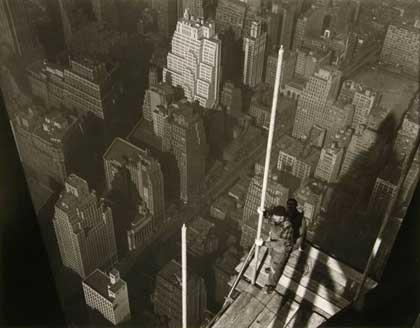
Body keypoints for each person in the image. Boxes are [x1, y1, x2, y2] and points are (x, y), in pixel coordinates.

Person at [261, 205, 294, 294]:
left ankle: (271, 285)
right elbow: (269, 217)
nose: (273, 218)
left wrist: (264, 243)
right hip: (274, 248)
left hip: (281, 251)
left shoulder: (288, 227)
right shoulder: (277, 219)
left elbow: (280, 244)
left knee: (275, 267)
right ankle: (272, 269)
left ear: (282, 217)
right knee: (272, 260)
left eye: (275, 217)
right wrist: (263, 213)